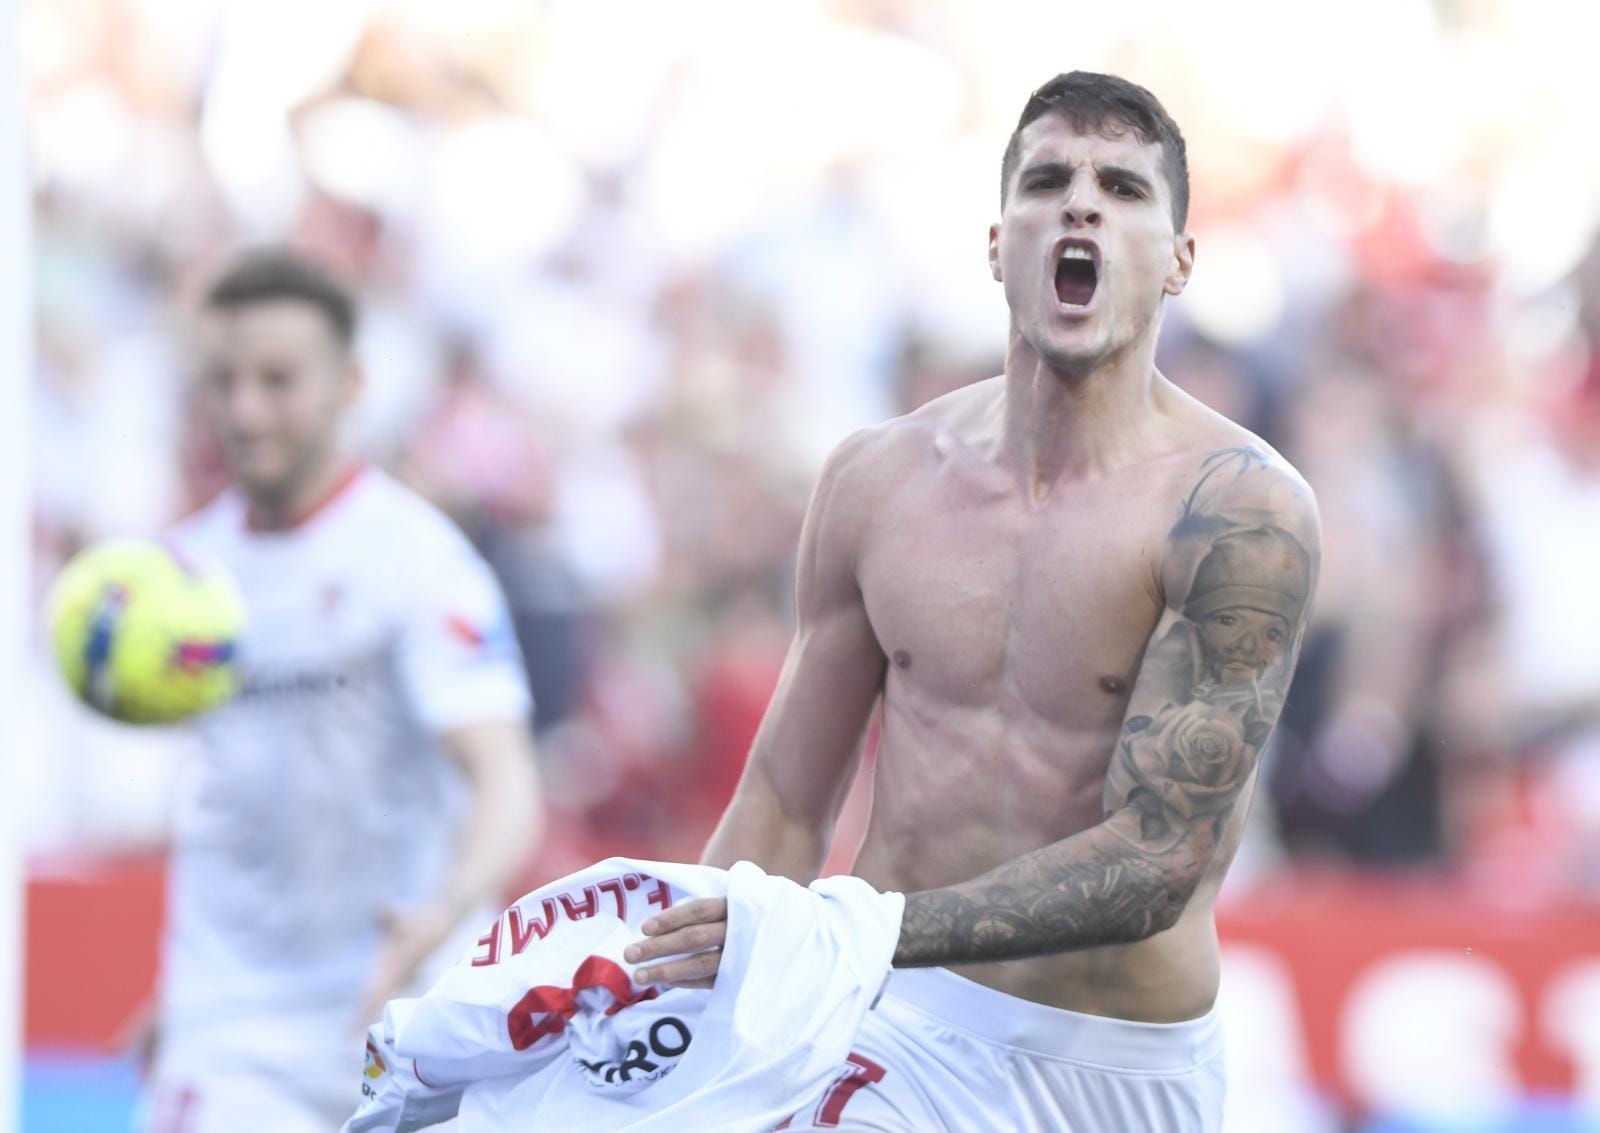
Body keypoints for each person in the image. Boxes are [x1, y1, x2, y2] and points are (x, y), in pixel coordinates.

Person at [626, 71, 1322, 1131]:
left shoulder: (1236, 507)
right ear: (999, 244)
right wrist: (675, 1008)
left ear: (1180, 262)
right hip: (892, 1025)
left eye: (1124, 189)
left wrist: (859, 926)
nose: (1081, 204)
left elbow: (1153, 863)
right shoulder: (877, 478)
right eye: (1048, 179)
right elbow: (783, 794)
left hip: (1118, 1066)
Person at [135, 250, 544, 1133]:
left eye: (277, 380)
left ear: (349, 383)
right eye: (224, 380)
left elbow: (506, 781)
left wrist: (441, 910)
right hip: (232, 1028)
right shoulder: (183, 579)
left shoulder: (418, 561)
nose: (245, 410)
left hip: (410, 1008)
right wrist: (182, 997)